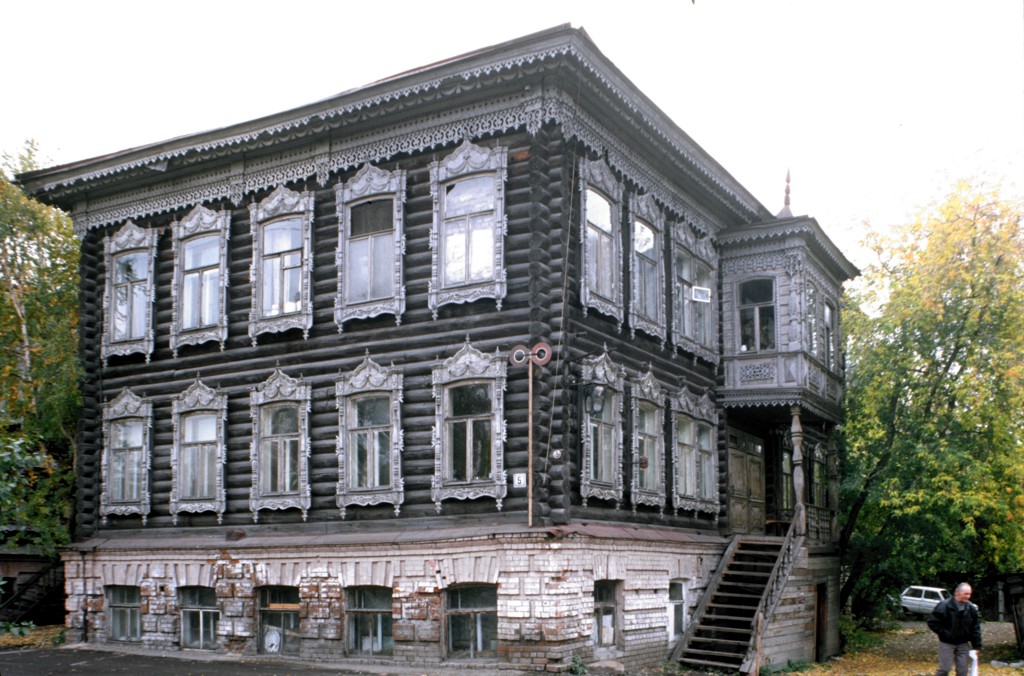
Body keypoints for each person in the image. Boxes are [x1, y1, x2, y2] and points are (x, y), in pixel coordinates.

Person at [927, 582, 982, 676]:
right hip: (947, 643)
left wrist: (977, 646)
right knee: (945, 669)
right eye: (966, 594)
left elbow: (975, 628)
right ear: (957, 592)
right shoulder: (944, 605)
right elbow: (932, 622)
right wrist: (945, 633)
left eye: (969, 594)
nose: (968, 596)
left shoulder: (971, 608)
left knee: (963, 671)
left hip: (963, 643)